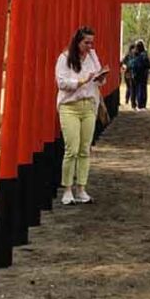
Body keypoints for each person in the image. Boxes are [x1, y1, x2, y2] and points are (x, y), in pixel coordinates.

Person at [55, 26, 108, 205]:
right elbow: (61, 83)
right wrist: (82, 80)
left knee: (85, 149)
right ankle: (67, 189)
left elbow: (100, 79)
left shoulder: (93, 56)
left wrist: (101, 78)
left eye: (92, 42)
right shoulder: (64, 58)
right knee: (72, 149)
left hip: (89, 106)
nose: (90, 46)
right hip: (70, 106)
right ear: (77, 41)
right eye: (86, 42)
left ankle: (81, 188)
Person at [128, 39, 150, 110]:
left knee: (133, 90)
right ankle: (141, 105)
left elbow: (129, 64)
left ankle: (133, 104)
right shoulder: (144, 54)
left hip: (133, 74)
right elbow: (148, 65)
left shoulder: (132, 54)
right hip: (143, 75)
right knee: (141, 89)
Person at [120, 41, 137, 108]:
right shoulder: (129, 56)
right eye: (134, 48)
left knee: (130, 87)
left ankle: (129, 100)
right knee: (130, 87)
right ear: (132, 49)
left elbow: (123, 63)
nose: (135, 50)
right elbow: (123, 64)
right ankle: (129, 100)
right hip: (128, 73)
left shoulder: (129, 55)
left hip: (129, 73)